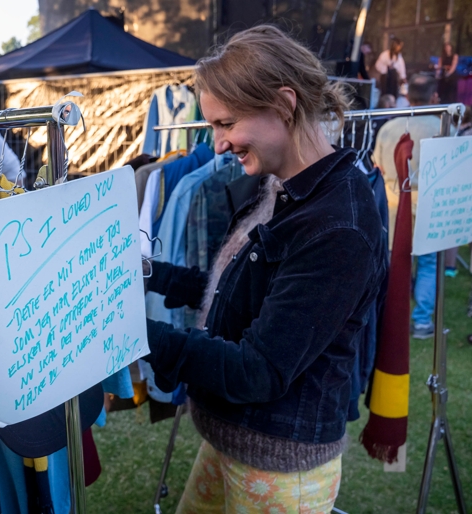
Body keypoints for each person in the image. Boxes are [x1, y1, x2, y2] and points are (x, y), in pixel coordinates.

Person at [143, 25, 386, 513]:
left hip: (277, 470)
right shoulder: (284, 184)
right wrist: (152, 276)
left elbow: (261, 369)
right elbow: (240, 295)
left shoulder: (339, 225)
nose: (216, 144)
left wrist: (134, 336)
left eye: (226, 123)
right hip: (235, 442)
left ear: (283, 104)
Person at [373, 74, 443, 339]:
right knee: (427, 265)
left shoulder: (390, 127)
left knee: (394, 266)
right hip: (428, 208)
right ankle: (422, 322)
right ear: (434, 97)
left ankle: (388, 320)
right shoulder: (442, 127)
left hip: (393, 210)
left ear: (408, 96)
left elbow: (377, 168)